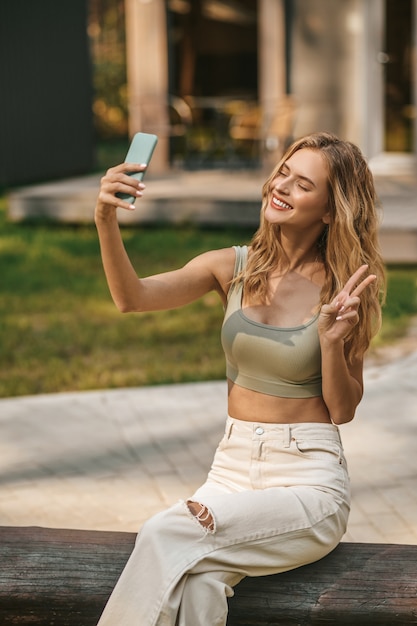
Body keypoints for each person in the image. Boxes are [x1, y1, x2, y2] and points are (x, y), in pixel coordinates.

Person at [94, 131, 385, 626]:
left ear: (331, 210)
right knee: (200, 583)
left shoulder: (346, 289)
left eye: (303, 185)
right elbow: (132, 298)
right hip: (229, 473)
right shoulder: (232, 268)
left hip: (307, 482)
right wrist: (105, 219)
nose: (283, 186)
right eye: (284, 173)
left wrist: (332, 343)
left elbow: (343, 410)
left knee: (165, 533)